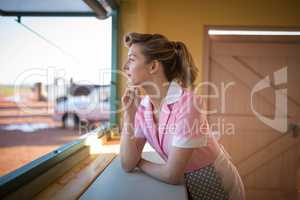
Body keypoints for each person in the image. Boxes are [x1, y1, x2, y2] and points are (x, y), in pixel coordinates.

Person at [120, 32, 245, 200]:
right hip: (183, 189)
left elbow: (172, 175)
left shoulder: (189, 103)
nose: (124, 66)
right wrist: (129, 115)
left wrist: (139, 162)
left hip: (215, 186)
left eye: (132, 59)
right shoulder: (142, 106)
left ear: (153, 66)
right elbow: (127, 164)